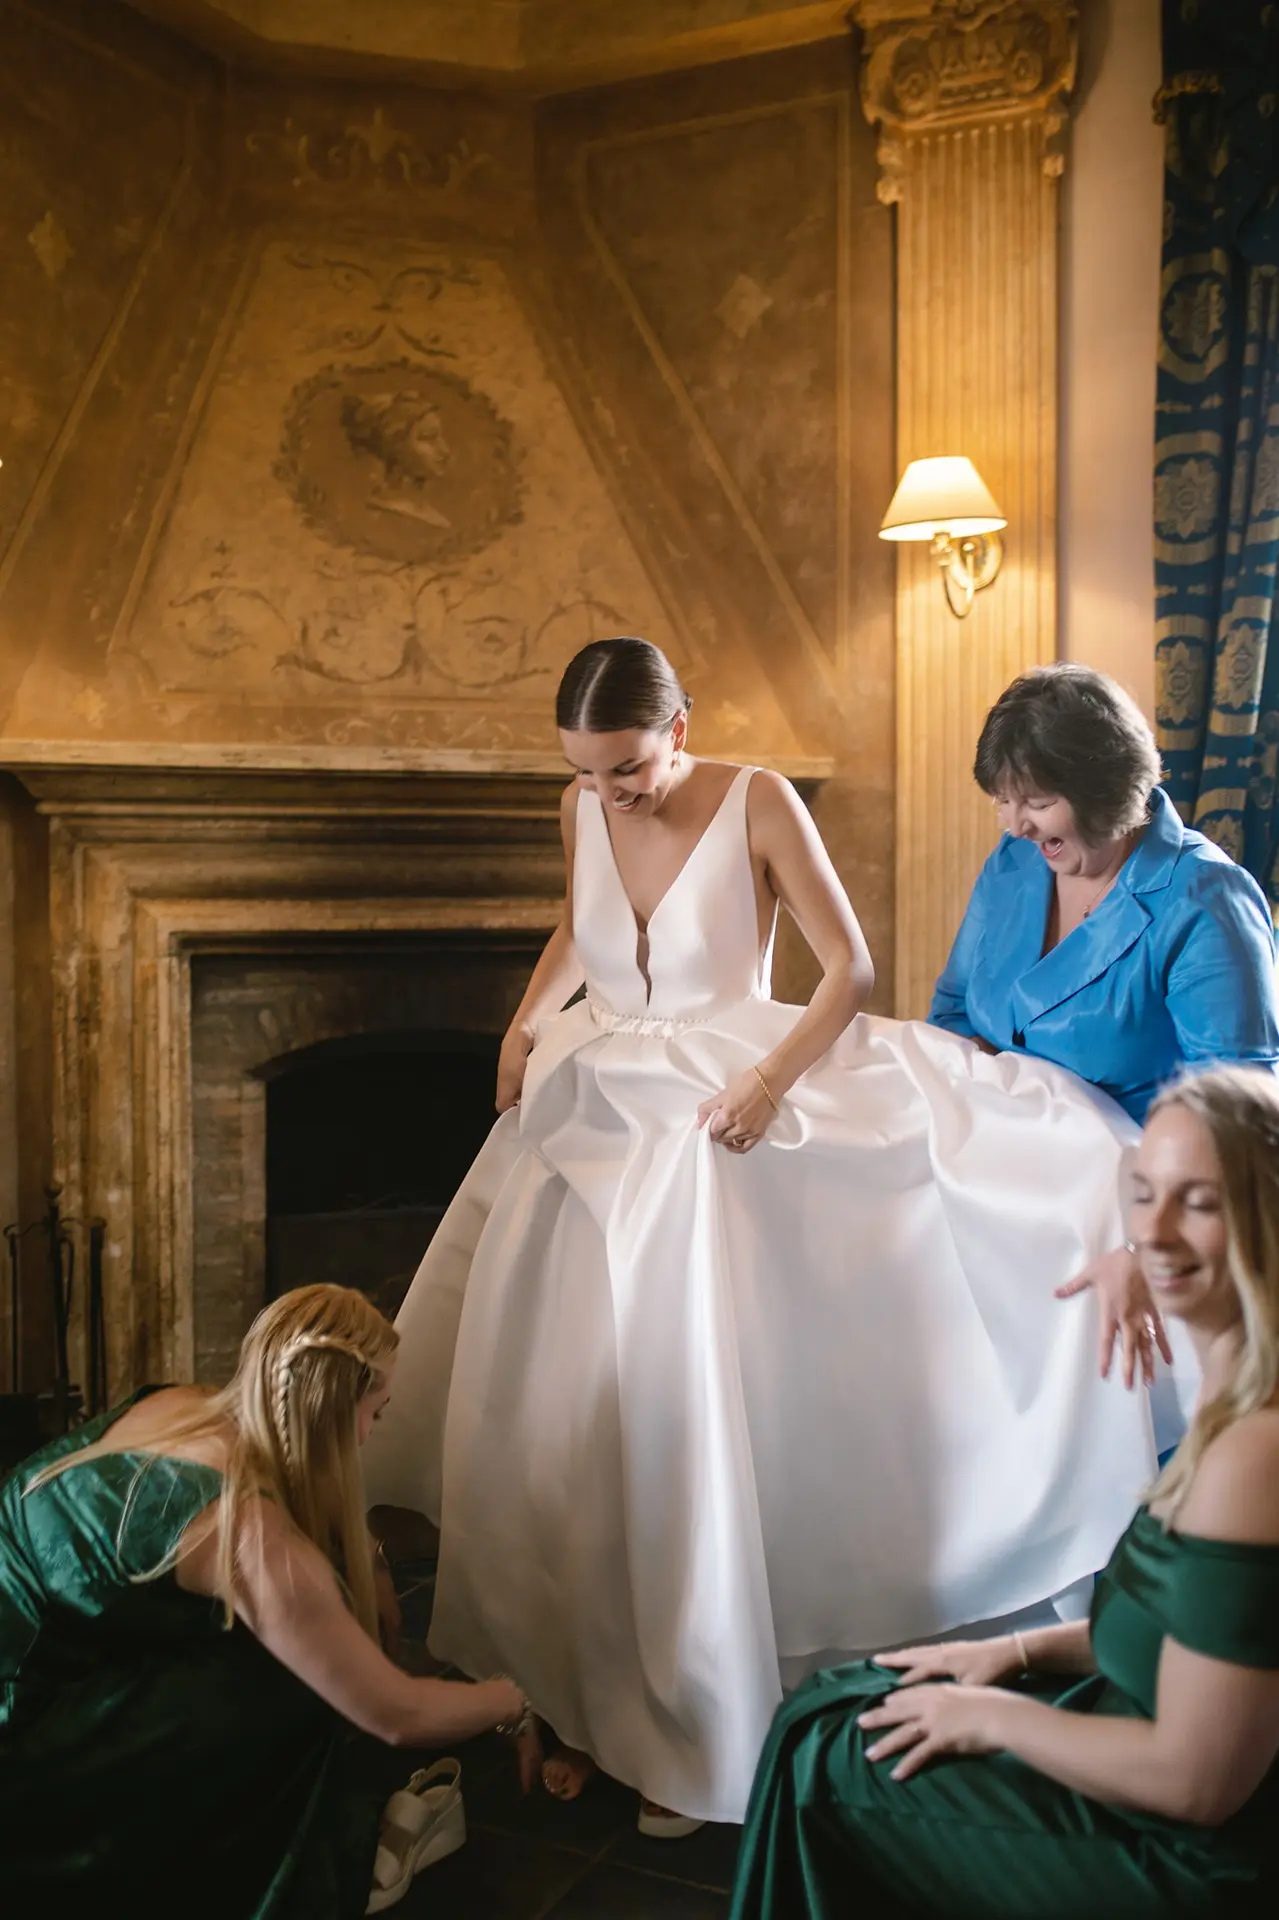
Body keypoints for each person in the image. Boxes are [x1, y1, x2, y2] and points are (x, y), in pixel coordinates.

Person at [365, 637, 1175, 1832]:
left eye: (628, 770)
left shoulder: (758, 799)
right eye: (587, 776)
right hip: (593, 1100)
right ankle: (576, 1689)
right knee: (577, 1415)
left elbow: (849, 967)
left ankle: (699, 1711)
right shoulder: (579, 803)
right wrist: (523, 1023)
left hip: (724, 1095)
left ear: (679, 728)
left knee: (697, 1406)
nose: (609, 795)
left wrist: (765, 1086)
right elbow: (579, 926)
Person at [730, 1064, 1279, 1919]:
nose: (1152, 1235)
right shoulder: (1229, 1389)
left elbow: (1196, 1782)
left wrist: (989, 1718)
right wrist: (1012, 1654)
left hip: (1191, 1859)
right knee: (840, 1699)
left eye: (1198, 1203)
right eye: (1143, 1194)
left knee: (823, 1755)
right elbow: (1202, 1633)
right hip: (1133, 1730)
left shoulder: (1255, 1457)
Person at [0, 1283, 532, 1917]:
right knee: (293, 1683)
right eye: (376, 1413)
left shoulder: (187, 1403)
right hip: (23, 1750)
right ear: (336, 1409)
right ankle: (267, 1859)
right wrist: (513, 1700)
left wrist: (371, 1559)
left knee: (299, 1630)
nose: (369, 1435)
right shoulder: (249, 1536)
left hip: (32, 1642)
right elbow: (397, 1715)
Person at [931, 664, 1279, 1393]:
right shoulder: (1014, 864)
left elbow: (1241, 1119)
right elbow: (955, 1012)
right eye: (1002, 802)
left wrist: (1145, 1246)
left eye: (1036, 801)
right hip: (994, 1181)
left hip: (1122, 1209)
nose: (1015, 824)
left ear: (1102, 789)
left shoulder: (1202, 900)